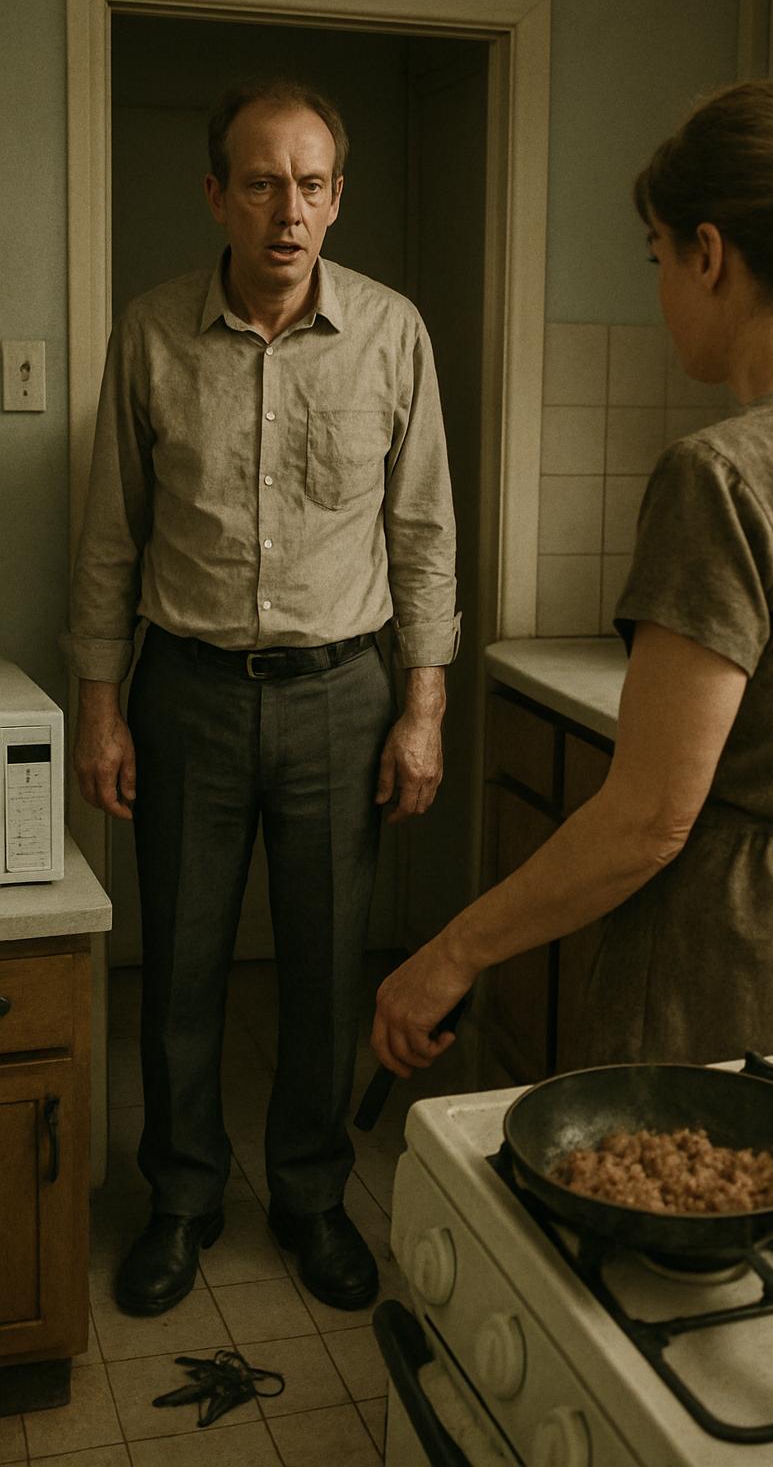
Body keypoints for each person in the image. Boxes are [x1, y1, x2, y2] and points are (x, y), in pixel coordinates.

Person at [371, 79, 773, 1080]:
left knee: (703, 1172)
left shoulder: (721, 475)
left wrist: (450, 954)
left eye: (656, 256)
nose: (659, 289)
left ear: (709, 254)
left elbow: (649, 818)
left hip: (738, 957)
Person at [67, 79, 459, 1315]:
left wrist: (423, 710)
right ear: (216, 196)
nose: (288, 211)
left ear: (337, 199)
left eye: (311, 184)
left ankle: (309, 1195)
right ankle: (182, 1200)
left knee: (325, 969)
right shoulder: (150, 333)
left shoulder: (393, 333)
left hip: (343, 695)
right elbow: (110, 538)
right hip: (183, 692)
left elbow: (424, 537)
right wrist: (99, 707)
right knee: (179, 966)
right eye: (261, 183)